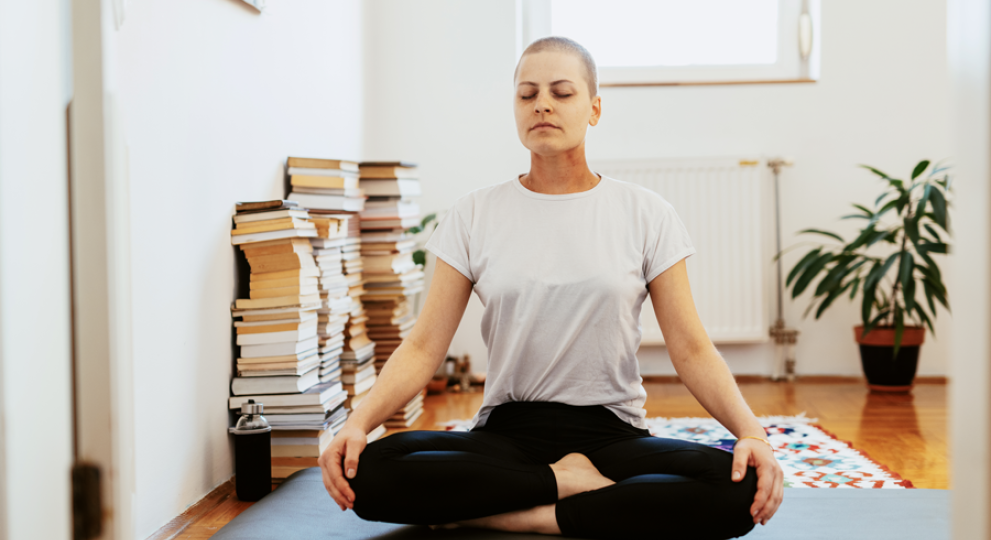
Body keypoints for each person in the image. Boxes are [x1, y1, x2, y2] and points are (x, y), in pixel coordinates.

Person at [318, 36, 784, 539]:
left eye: (562, 92)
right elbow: (423, 346)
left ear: (594, 109)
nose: (542, 103)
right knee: (366, 469)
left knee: (743, 486)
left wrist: (751, 433)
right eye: (527, 94)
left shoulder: (646, 214)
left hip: (611, 432)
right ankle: (565, 488)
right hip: (507, 432)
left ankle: (520, 514)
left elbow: (691, 348)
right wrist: (356, 425)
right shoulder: (474, 214)